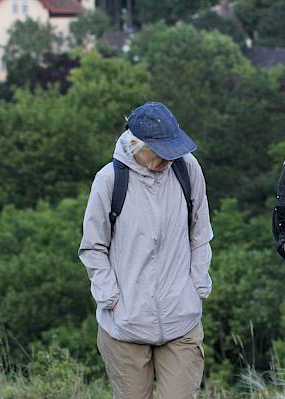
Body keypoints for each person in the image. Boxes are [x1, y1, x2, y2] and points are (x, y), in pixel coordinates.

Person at [79, 102, 213, 398]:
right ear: (135, 145)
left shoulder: (187, 169)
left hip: (181, 319)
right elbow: (93, 247)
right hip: (125, 327)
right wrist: (112, 299)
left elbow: (200, 233)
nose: (170, 157)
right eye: (162, 151)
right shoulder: (109, 180)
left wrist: (197, 288)